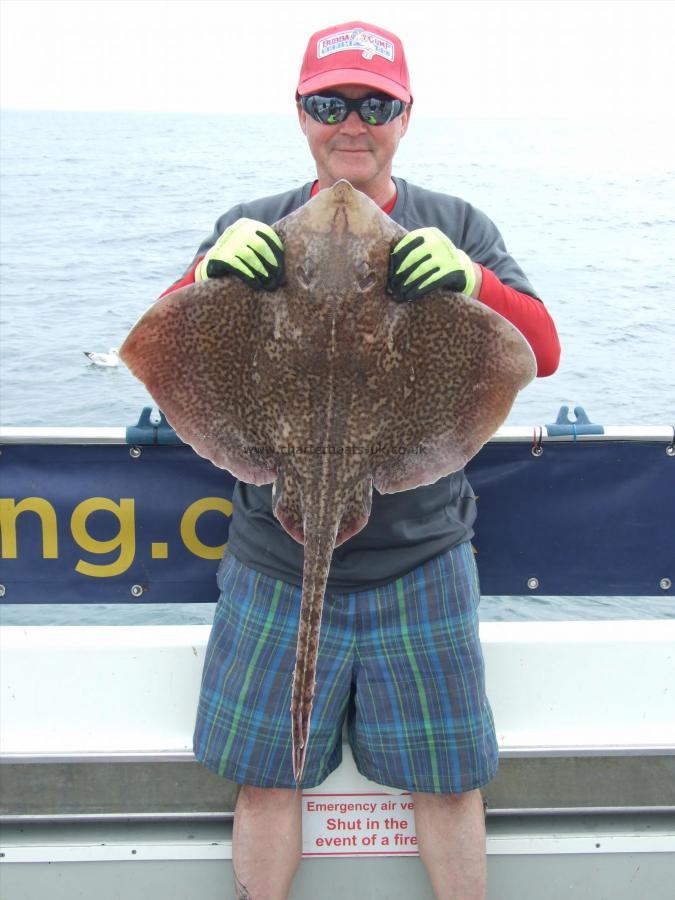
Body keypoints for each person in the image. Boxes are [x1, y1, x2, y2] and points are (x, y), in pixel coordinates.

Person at [161, 21, 560, 900]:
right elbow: (159, 344)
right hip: (274, 550)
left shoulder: (455, 225)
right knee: (268, 777)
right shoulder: (252, 225)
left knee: (447, 781)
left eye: (374, 104)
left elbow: (542, 348)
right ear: (300, 112)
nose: (352, 121)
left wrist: (471, 283)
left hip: (419, 556)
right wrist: (202, 278)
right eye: (329, 102)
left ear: (405, 115)